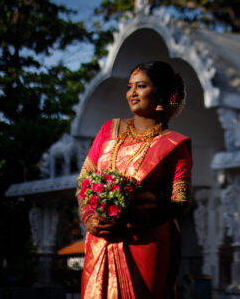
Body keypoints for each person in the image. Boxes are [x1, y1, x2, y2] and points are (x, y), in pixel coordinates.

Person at [78, 60, 192, 298]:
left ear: (161, 94)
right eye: (130, 87)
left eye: (141, 86)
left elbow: (180, 202)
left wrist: (135, 218)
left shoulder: (174, 145)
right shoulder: (109, 130)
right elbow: (85, 179)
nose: (132, 93)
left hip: (145, 240)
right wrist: (89, 218)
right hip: (101, 238)